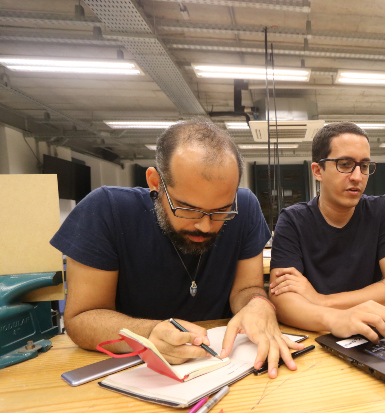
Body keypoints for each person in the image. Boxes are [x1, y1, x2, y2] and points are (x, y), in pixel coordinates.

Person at [51, 118, 302, 378]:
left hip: (223, 368)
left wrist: (258, 303)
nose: (205, 226)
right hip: (137, 372)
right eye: (188, 209)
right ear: (155, 183)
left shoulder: (245, 208)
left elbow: (246, 289)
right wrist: (147, 335)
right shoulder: (106, 210)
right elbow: (81, 319)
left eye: (221, 211)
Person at [268, 122, 385, 343]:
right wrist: (336, 319)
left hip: (374, 333)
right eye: (345, 164)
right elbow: (282, 300)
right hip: (318, 335)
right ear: (318, 171)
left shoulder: (381, 210)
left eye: (364, 166)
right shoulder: (292, 220)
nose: (357, 176)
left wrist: (321, 300)